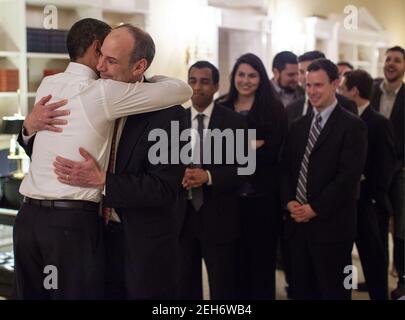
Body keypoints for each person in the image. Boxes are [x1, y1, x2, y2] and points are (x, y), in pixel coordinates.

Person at [16, 20, 192, 299]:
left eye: (111, 61)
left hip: (138, 246)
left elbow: (165, 188)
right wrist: (28, 128)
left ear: (139, 67)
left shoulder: (170, 115)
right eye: (101, 57)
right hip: (89, 236)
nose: (99, 67)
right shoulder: (90, 91)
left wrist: (103, 181)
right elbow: (51, 152)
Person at [281, 59, 367, 300]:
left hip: (332, 228)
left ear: (335, 84)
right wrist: (289, 201)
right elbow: (286, 169)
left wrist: (314, 209)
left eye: (318, 85)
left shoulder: (353, 126)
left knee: (333, 292)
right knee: (300, 291)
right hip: (297, 225)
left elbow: (347, 178)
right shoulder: (298, 125)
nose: (311, 91)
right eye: (308, 85)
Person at [218, 53, 287, 299]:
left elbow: (273, 153)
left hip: (263, 198)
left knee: (261, 265)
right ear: (233, 76)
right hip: (228, 199)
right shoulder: (221, 107)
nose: (245, 80)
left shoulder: (274, 109)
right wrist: (252, 145)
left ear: (261, 78)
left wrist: (236, 148)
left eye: (252, 75)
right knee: (231, 265)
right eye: (241, 74)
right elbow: (216, 152)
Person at [176, 61, 246, 300]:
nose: (198, 87)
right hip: (182, 218)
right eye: (193, 81)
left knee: (223, 285)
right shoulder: (175, 120)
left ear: (216, 86)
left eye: (205, 82)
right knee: (185, 284)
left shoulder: (234, 122)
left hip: (220, 216)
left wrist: (209, 176)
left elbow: (244, 170)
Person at [340, 69, 397, 300]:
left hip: (369, 204)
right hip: (345, 204)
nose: (340, 93)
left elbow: (386, 164)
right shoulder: (341, 120)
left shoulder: (378, 122)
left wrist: (373, 195)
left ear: (353, 91)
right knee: (344, 260)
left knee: (374, 259)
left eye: (343, 89)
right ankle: (345, 292)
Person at [371, 46, 405, 300]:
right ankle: (376, 279)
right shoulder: (371, 90)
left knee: (402, 230)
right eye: (388, 59)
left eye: (397, 60)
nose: (391, 64)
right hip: (372, 173)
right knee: (375, 228)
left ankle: (402, 281)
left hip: (401, 172)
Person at [286, 51, 357, 127]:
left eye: (311, 70)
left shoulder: (346, 105)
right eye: (301, 72)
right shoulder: (291, 108)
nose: (305, 77)